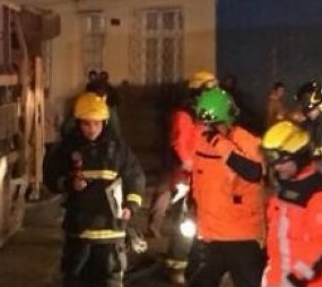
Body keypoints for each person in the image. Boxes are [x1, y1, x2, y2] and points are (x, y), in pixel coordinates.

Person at [44, 92, 145, 287]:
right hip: (79, 232)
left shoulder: (118, 149)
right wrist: (68, 183)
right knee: (75, 280)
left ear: (105, 123)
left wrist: (131, 206)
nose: (92, 129)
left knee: (110, 281)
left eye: (97, 124)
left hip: (111, 232)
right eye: (86, 124)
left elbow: (135, 177)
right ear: (78, 122)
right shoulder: (67, 148)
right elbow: (51, 176)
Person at [186, 87, 265, 287]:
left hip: (241, 236)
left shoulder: (245, 140)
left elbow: (254, 171)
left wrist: (220, 143)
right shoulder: (201, 142)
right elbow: (198, 182)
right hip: (210, 236)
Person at [147, 70, 218, 283]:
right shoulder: (185, 114)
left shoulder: (209, 113)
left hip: (205, 175)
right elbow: (181, 145)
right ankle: (177, 265)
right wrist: (192, 168)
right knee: (184, 221)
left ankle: (196, 260)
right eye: (210, 88)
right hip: (186, 177)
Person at [260, 121, 322, 287]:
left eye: (281, 162)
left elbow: (321, 248)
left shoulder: (321, 194)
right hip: (277, 278)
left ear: (299, 157)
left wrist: (294, 279)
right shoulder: (283, 188)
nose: (277, 168)